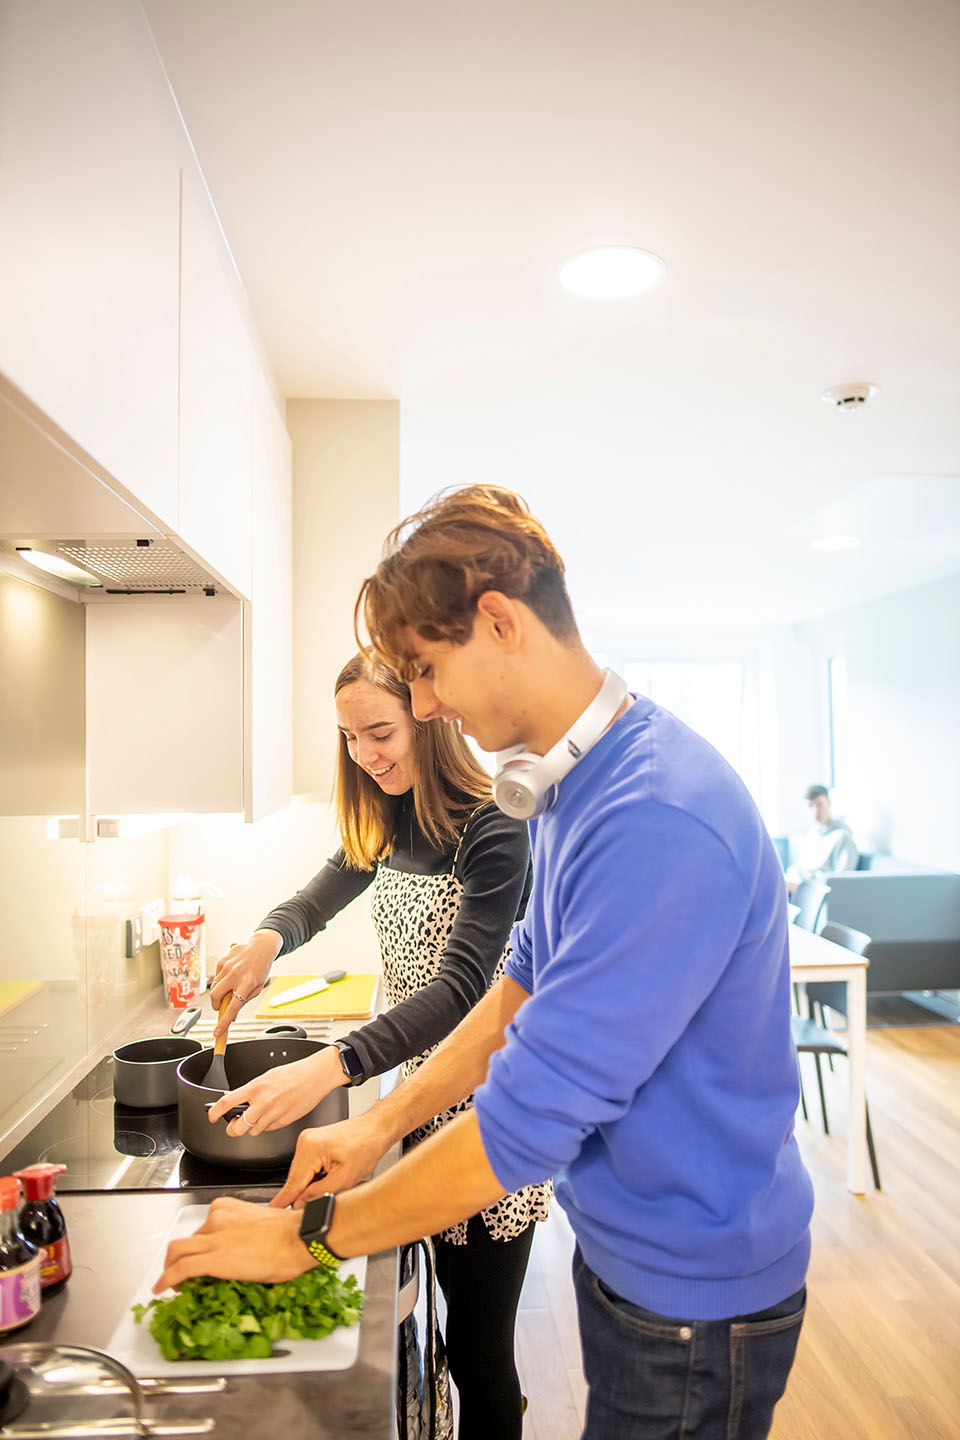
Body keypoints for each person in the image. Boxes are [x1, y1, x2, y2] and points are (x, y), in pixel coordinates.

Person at [159, 487, 814, 1440]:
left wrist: (305, 1240)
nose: (425, 705)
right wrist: (378, 1124)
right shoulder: (579, 787)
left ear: (498, 623)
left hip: (696, 1293)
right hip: (637, 1251)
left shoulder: (654, 816)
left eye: (426, 671)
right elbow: (514, 997)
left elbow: (527, 1116)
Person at [206, 652, 550, 1440]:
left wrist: (332, 1063)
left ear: (427, 721)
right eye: (350, 737)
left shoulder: (495, 825)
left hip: (492, 1107)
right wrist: (265, 943)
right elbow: (320, 894)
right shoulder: (390, 813)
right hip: (416, 1102)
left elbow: (462, 990)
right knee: (438, 1321)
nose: (365, 754)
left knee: (477, 1347)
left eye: (380, 731)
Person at [784, 783, 859, 894]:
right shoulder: (813, 834)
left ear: (828, 803)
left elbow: (842, 880)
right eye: (811, 806)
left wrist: (802, 887)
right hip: (797, 883)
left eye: (820, 804)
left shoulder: (843, 837)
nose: (816, 811)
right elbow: (802, 867)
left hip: (814, 891)